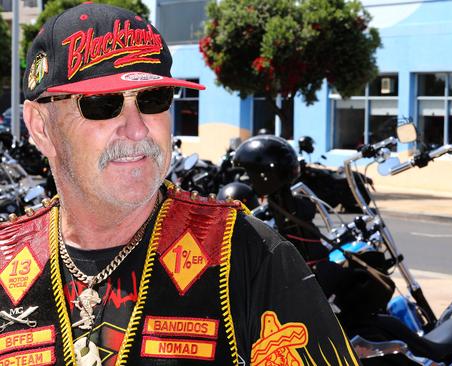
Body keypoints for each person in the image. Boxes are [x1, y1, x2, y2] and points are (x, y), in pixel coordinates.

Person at [0, 4, 358, 365]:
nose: (137, 128)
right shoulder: (6, 262)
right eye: (101, 104)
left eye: (153, 99)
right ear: (41, 126)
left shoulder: (248, 255)